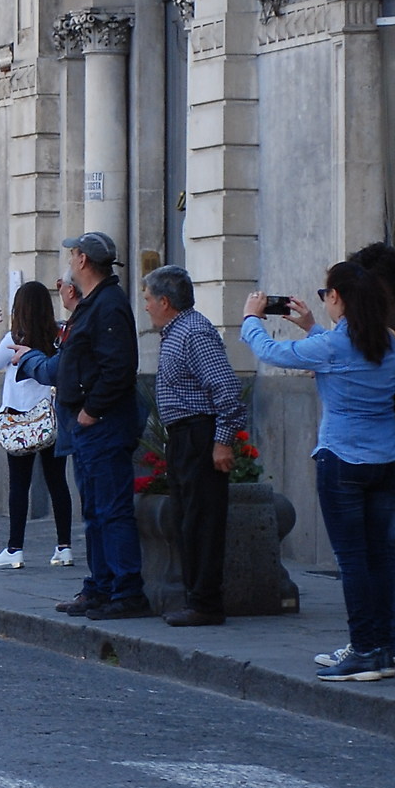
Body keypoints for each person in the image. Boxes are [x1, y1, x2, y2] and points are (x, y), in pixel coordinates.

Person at [242, 264, 395, 682]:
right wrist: (312, 326)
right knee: (382, 558)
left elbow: (275, 354)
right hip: (386, 459)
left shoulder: (338, 344)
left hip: (343, 461)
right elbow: (336, 358)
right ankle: (383, 648)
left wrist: (251, 319)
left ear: (339, 298)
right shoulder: (385, 341)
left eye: (325, 293)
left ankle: (364, 650)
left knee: (352, 561)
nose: (323, 299)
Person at [12, 234, 145, 618]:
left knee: (112, 509)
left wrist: (93, 410)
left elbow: (118, 367)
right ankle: (101, 585)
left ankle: (126, 590)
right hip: (85, 425)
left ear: (83, 260)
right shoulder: (92, 305)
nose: (69, 261)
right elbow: (75, 360)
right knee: (95, 511)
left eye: (72, 254)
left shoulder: (109, 306)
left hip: (101, 425)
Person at [144, 264, 246, 626]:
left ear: (165, 301)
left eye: (148, 299)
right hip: (183, 437)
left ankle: (205, 602)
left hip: (199, 434)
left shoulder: (194, 333)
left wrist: (222, 442)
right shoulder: (175, 332)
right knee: (187, 519)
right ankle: (195, 598)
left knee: (202, 521)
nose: (146, 306)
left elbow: (226, 389)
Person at [346, 240, 395, 661]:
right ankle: (379, 640)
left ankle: (377, 641)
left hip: (386, 450)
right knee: (380, 553)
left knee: (373, 554)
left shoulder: (386, 327)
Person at [0, 281, 74, 571]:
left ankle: (15, 549)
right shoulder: (57, 335)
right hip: (50, 418)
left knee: (19, 485)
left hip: (20, 420)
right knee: (57, 482)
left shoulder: (14, 338)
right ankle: (64, 547)